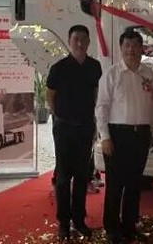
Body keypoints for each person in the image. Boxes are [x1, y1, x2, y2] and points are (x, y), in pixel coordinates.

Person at [95, 29, 153, 244]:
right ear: (121, 48)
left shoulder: (148, 73)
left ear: (142, 48)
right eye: (127, 45)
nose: (131, 50)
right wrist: (105, 137)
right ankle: (112, 228)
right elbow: (101, 107)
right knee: (115, 185)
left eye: (135, 45)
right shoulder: (112, 74)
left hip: (141, 134)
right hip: (117, 135)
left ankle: (130, 227)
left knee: (134, 184)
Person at [46, 25, 102, 241]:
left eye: (83, 39)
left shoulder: (94, 67)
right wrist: (58, 116)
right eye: (76, 39)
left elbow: (97, 94)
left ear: (88, 42)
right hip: (64, 128)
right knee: (63, 177)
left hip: (85, 127)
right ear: (69, 41)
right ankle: (63, 222)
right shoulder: (59, 68)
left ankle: (79, 220)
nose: (80, 43)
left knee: (81, 176)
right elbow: (50, 95)